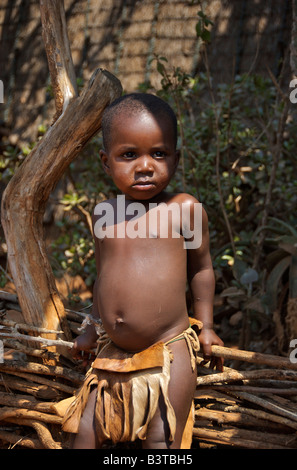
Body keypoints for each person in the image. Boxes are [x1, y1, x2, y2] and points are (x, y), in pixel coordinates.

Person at [62, 93, 224, 449]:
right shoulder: (105, 213)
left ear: (176, 159)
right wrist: (90, 329)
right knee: (84, 430)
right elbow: (103, 278)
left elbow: (202, 269)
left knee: (161, 438)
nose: (146, 165)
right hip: (112, 351)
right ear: (107, 162)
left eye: (159, 153)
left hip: (170, 347)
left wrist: (208, 327)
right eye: (129, 155)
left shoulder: (185, 209)